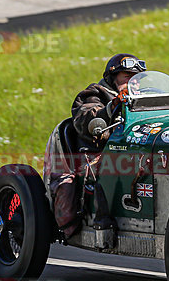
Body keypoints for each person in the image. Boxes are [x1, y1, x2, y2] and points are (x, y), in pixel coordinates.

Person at [47, 54, 147, 237]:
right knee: (111, 167)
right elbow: (85, 118)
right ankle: (103, 226)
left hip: (134, 150)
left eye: (137, 78)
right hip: (96, 155)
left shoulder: (145, 97)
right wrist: (111, 107)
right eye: (127, 77)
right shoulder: (95, 94)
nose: (134, 82)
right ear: (113, 77)